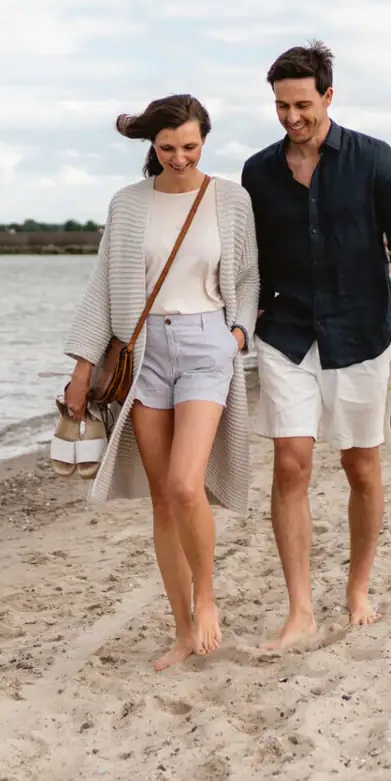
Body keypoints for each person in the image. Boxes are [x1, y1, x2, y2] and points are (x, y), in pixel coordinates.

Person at [241, 41, 391, 645]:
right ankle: (300, 610)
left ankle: (357, 588)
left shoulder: (374, 159)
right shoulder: (258, 171)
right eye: (281, 106)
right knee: (291, 463)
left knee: (360, 465)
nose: (292, 117)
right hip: (288, 334)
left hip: (360, 334)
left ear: (328, 94)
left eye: (302, 104)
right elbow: (248, 262)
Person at [63, 95, 259, 671]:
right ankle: (180, 629)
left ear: (206, 141)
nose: (179, 157)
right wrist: (80, 369)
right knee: (163, 503)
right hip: (143, 350)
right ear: (152, 145)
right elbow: (103, 288)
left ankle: (208, 600)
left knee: (184, 484)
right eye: (168, 147)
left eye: (190, 146)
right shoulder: (127, 205)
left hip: (207, 346)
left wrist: (238, 338)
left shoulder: (230, 199)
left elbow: (247, 278)